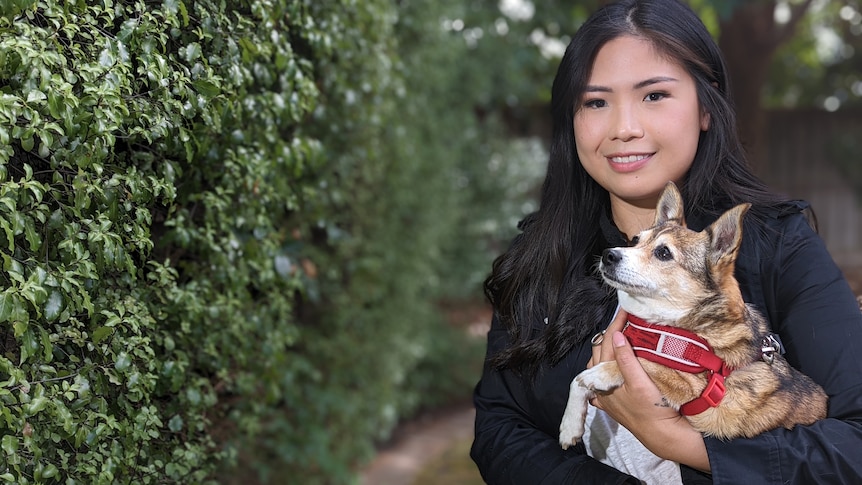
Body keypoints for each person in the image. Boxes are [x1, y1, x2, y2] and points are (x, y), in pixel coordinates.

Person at [469, 0, 862, 483]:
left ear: (705, 108)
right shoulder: (538, 258)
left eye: (654, 95)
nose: (624, 128)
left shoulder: (779, 247)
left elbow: (853, 445)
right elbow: (498, 431)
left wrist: (679, 443)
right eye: (595, 102)